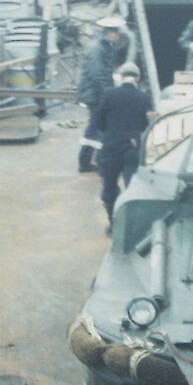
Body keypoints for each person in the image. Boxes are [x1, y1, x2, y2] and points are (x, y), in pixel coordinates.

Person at [94, 63, 153, 234]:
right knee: (132, 187)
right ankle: (132, 226)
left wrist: (111, 131)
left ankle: (113, 223)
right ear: (138, 78)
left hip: (111, 147)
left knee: (109, 186)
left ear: (120, 77)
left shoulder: (109, 94)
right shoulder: (144, 97)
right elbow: (146, 124)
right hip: (133, 148)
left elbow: (98, 121)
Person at [74, 16, 131, 173]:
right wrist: (108, 96)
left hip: (97, 93)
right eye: (116, 32)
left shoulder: (106, 46)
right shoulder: (97, 49)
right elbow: (96, 75)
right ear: (109, 33)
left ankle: (85, 162)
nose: (118, 35)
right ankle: (101, 163)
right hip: (95, 95)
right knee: (100, 128)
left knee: (94, 127)